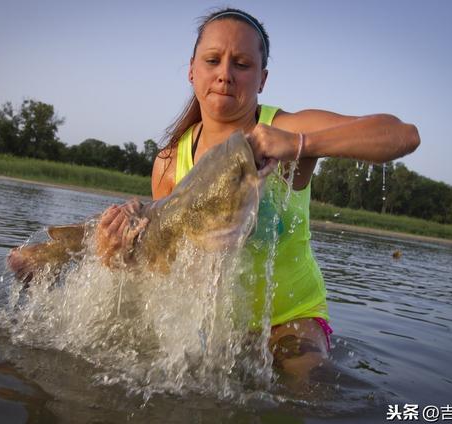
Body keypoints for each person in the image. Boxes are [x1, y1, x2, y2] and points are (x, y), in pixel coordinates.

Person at [94, 8, 420, 384]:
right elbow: (161, 270)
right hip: (213, 326)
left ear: (262, 79)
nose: (225, 74)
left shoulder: (284, 128)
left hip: (291, 320)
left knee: (312, 384)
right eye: (213, 60)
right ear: (192, 70)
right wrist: (114, 256)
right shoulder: (169, 161)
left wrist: (300, 143)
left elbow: (403, 135)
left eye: (242, 64)